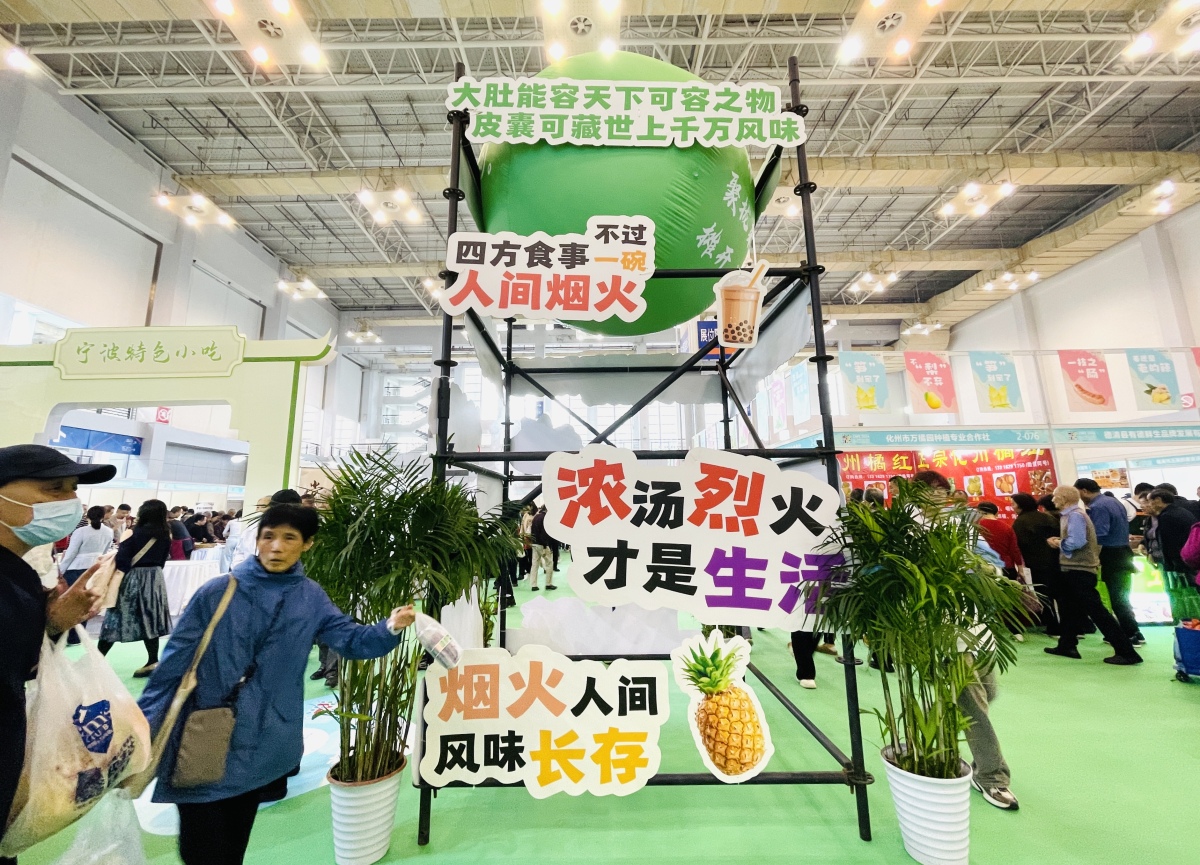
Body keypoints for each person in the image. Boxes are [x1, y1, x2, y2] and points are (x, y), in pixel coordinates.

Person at [137, 505, 416, 865]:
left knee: (234, 844)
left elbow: (350, 640)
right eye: (268, 536)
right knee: (201, 848)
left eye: (289, 538)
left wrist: (390, 627)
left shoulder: (310, 597)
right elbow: (172, 666)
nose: (277, 547)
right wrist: (142, 729)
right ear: (257, 539)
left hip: (264, 741)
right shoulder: (218, 592)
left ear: (307, 544)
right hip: (204, 736)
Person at [0, 445, 113, 865]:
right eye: (54, 489)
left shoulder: (18, 572)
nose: (70, 501)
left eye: (72, 489)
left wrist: (51, 623)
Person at [911, 470, 1016, 811]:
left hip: (975, 621)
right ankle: (992, 776)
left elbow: (992, 562)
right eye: (930, 491)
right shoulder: (908, 530)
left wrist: (988, 571)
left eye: (942, 491)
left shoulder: (959, 525)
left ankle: (936, 746)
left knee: (987, 693)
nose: (938, 497)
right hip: (940, 628)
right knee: (973, 702)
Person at [1044, 486, 1141, 665]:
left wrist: (1058, 543)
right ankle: (1067, 645)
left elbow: (1077, 541)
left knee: (1097, 611)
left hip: (1079, 569)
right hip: (1077, 568)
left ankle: (1126, 651)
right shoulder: (1072, 515)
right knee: (1069, 607)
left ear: (1064, 498)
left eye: (1056, 496)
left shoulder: (1075, 516)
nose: (1053, 499)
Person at [98, 499, 174, 677]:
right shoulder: (165, 534)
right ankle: (152, 660)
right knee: (150, 618)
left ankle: (97, 659)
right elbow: (164, 559)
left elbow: (123, 559)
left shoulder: (132, 532)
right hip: (155, 579)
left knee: (117, 616)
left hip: (133, 577)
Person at [1074, 478, 1144, 647]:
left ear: (1084, 491)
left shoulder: (1098, 507)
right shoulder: (1113, 501)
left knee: (1118, 597)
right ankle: (1133, 632)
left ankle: (1130, 634)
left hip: (1111, 555)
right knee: (1121, 596)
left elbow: (1099, 534)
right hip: (1122, 552)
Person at [1010, 493, 1061, 633]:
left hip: (1036, 563)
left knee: (1043, 594)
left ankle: (1052, 625)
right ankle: (1067, 625)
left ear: (1020, 505)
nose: (1012, 507)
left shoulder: (1020, 522)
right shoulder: (1047, 517)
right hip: (1056, 560)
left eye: (1013, 504)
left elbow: (1019, 544)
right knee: (1059, 593)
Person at [230, 491, 301, 571]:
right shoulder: (252, 528)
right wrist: (242, 572)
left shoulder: (300, 531)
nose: (259, 510)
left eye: (263, 506)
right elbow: (240, 553)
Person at [59, 505, 114, 589]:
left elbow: (71, 553)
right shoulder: (109, 531)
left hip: (77, 568)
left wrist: (61, 570)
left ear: (87, 517)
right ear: (103, 517)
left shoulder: (80, 531)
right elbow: (105, 551)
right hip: (96, 568)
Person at [975, 502, 1023, 578]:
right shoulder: (1007, 527)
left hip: (983, 568)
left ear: (978, 512)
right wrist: (1020, 568)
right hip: (1006, 567)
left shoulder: (974, 527)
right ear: (997, 513)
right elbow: (1014, 550)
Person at [529, 505, 558, 591]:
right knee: (549, 563)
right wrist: (545, 545)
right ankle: (548, 584)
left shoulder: (536, 516)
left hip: (534, 543)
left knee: (535, 564)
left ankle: (533, 585)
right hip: (542, 544)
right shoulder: (545, 518)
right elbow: (543, 533)